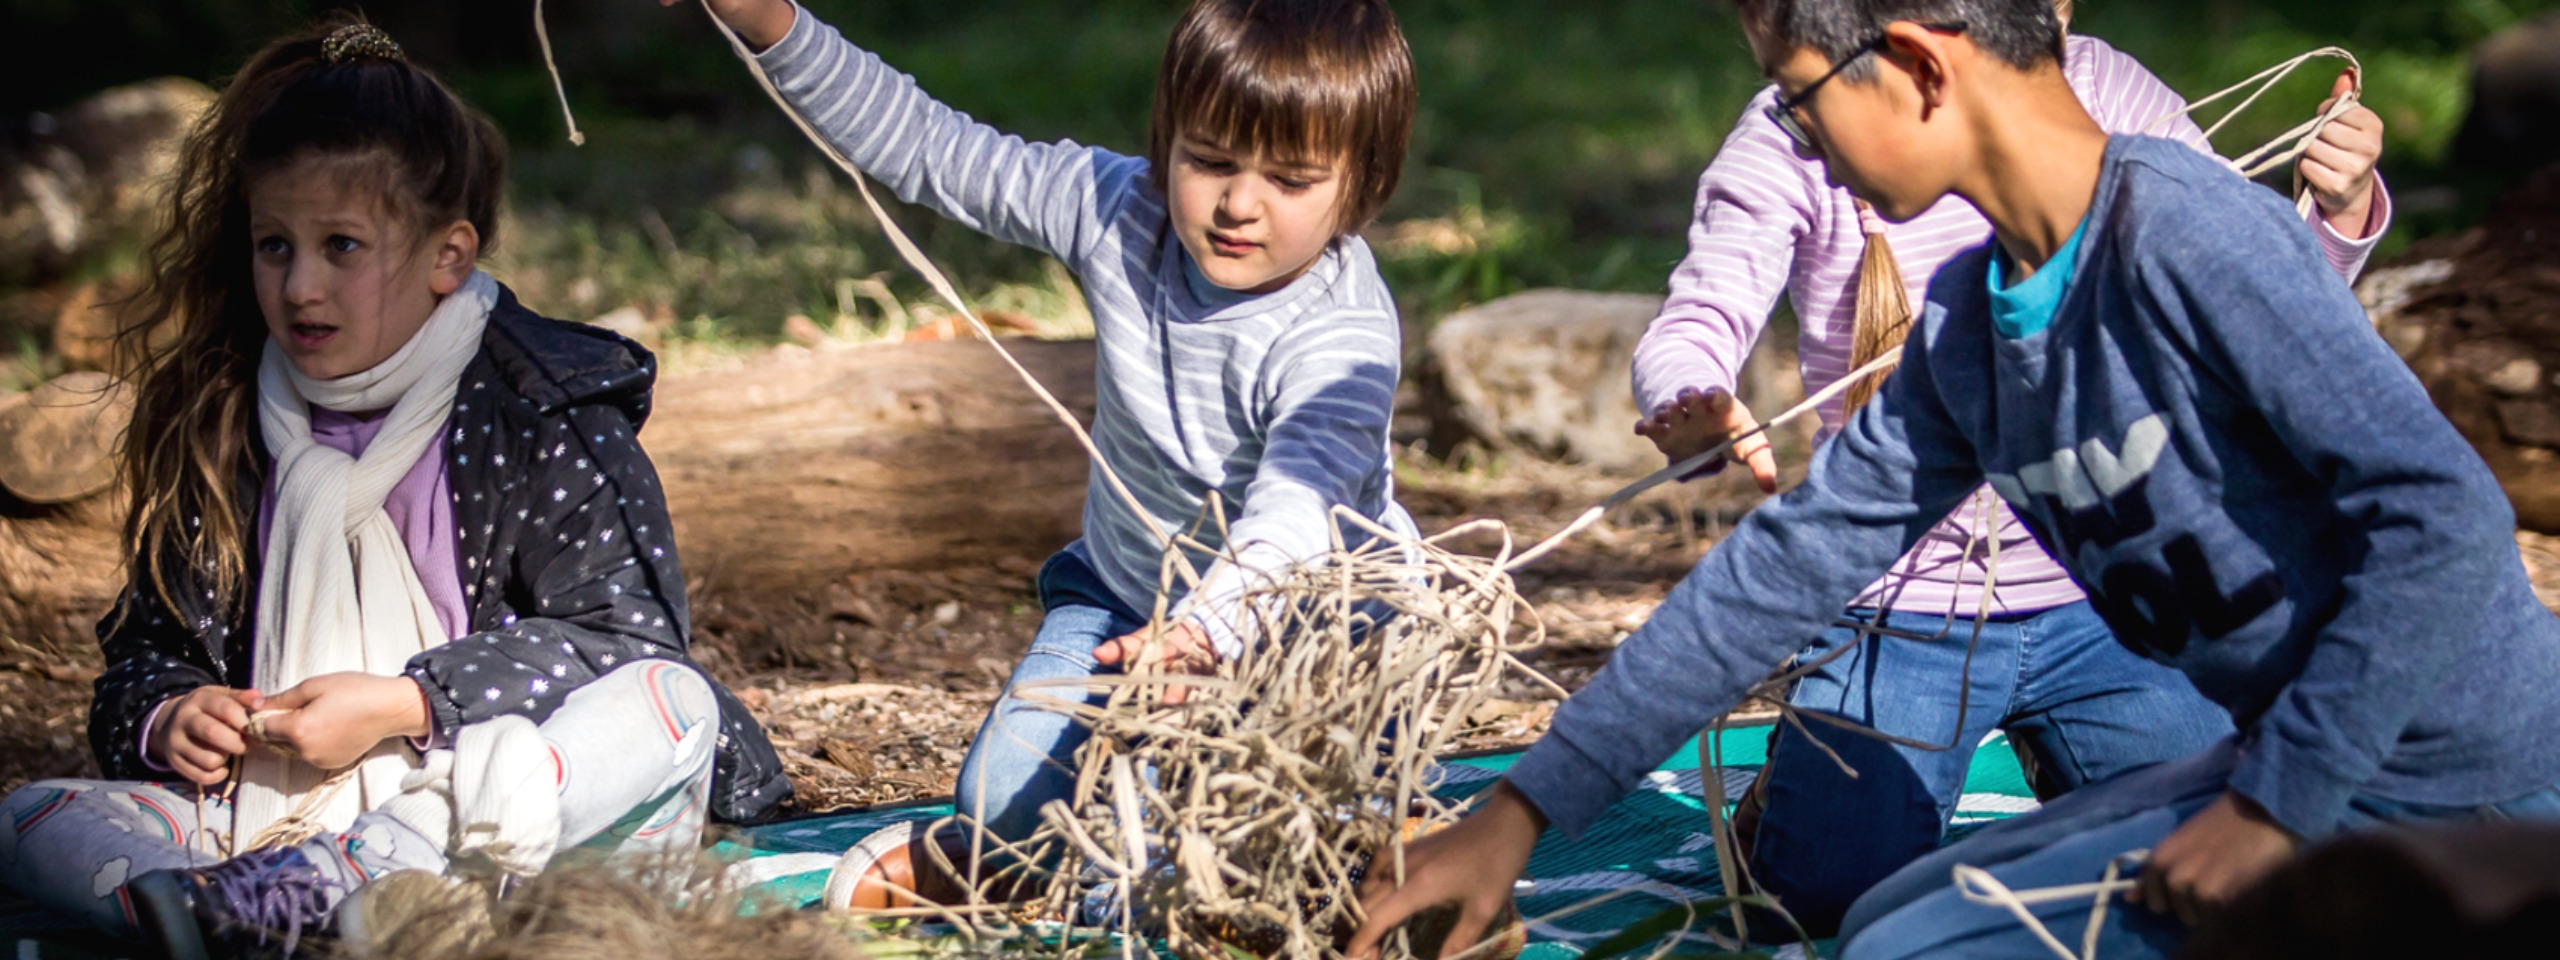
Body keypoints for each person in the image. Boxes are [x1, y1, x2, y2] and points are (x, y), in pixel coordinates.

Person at [1351, 1, 2560, 957]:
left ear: (1921, 66)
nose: (1794, 131)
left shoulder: (2186, 230)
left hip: (2458, 785)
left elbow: (2443, 520)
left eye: (1798, 96)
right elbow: (1783, 564)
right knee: (1883, 917)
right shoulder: (1971, 333)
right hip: (2289, 758)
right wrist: (1516, 816)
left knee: (1915, 951)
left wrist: (2270, 810)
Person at [0, 19, 789, 958]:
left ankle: (351, 886)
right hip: (268, 821)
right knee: (28, 816)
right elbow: (145, 651)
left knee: (671, 700)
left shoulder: (541, 405)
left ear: (448, 255)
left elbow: (622, 639)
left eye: (341, 246)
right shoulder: (227, 415)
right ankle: (219, 911)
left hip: (508, 828)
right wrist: (172, 713)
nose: (300, 288)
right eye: (274, 246)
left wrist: (404, 704)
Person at [1620, 0, 2392, 933]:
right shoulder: (1808, 122)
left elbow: (2242, 300)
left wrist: (2337, 214)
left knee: (2220, 858)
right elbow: (1704, 308)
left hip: (2109, 594)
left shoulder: (2113, 93)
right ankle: (1784, 804)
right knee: (1828, 900)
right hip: (1895, 608)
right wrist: (1689, 395)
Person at [672, 0, 1419, 905]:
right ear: (1164, 142)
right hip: (1125, 595)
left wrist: (1207, 633)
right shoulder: (1116, 207)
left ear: (1361, 185)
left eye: (1291, 180)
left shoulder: (1343, 333)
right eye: (1209, 160)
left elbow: (1297, 507)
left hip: (1315, 636)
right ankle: (1022, 853)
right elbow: (931, 145)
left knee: (1246, 853)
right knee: (1001, 807)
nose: (1238, 204)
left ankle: (1350, 846)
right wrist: (769, 19)